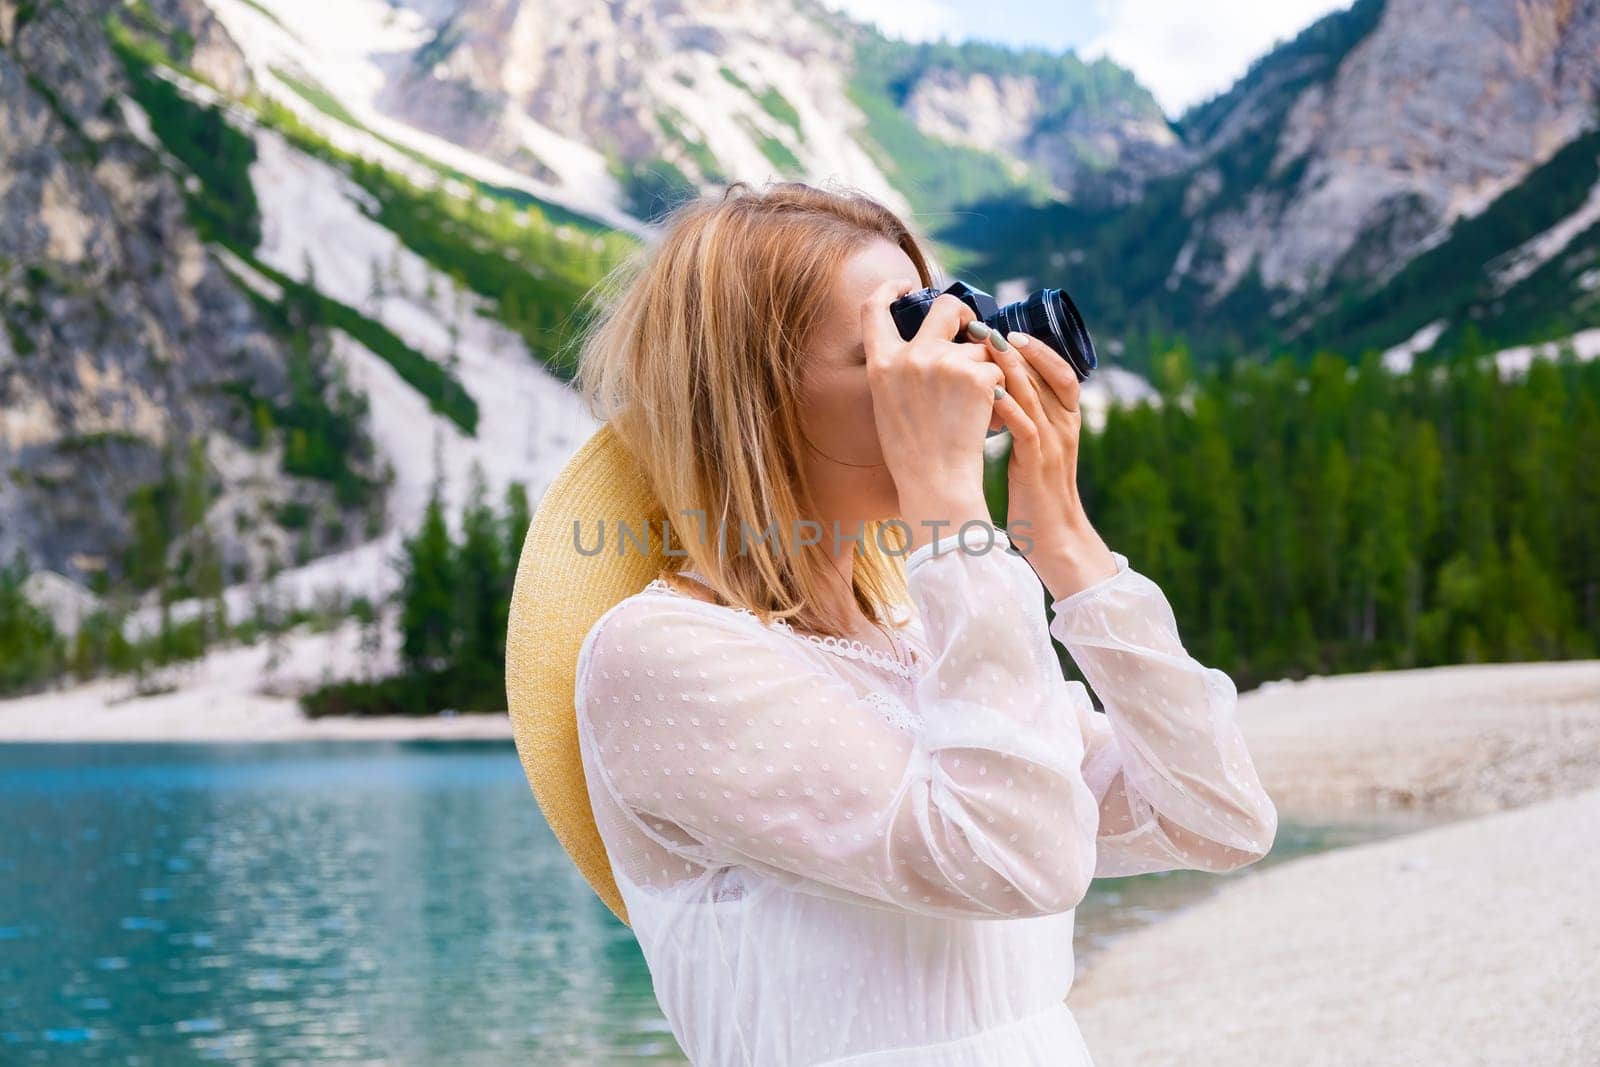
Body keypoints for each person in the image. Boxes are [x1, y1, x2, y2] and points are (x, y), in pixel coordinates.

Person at [526, 180, 1278, 1066]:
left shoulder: (920, 634)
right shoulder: (663, 656)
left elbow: (1218, 815)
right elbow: (1019, 860)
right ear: (756, 396)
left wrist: (1065, 540)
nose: (954, 371)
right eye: (900, 344)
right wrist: (954, 520)